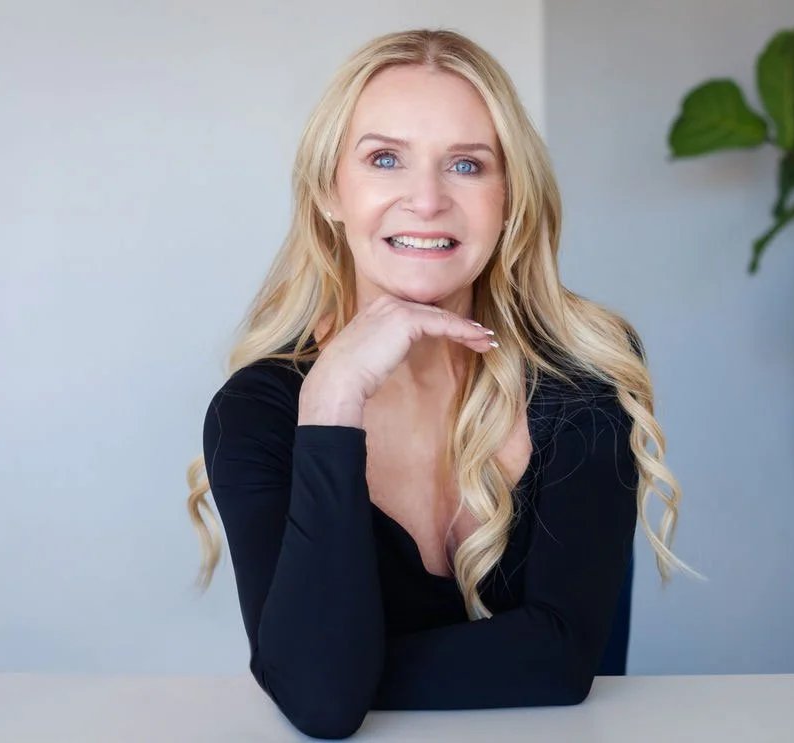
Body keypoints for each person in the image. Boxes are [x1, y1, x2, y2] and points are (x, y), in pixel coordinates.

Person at [186, 28, 687, 740]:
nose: (426, 199)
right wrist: (332, 405)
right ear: (332, 190)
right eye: (385, 159)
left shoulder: (582, 379)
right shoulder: (260, 413)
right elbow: (323, 708)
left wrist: (335, 668)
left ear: (509, 196)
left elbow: (562, 663)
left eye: (467, 165)